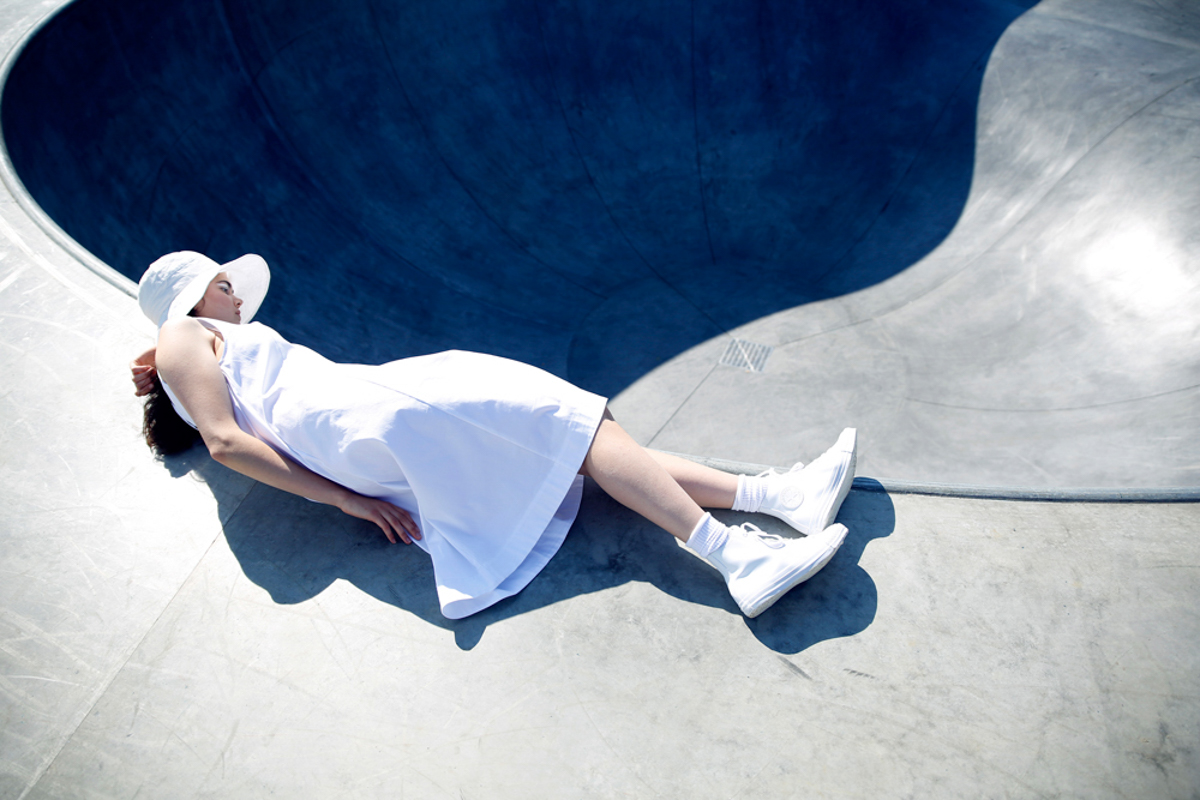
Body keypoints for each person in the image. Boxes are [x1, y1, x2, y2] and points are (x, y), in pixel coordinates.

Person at [132, 251, 857, 619]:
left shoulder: (186, 346)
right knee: (561, 419)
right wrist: (344, 500)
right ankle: (736, 554)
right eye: (221, 284)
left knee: (570, 435)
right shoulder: (180, 336)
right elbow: (225, 442)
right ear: (190, 299)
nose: (234, 292)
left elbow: (211, 407)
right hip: (365, 413)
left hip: (363, 414)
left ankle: (779, 497)